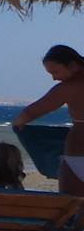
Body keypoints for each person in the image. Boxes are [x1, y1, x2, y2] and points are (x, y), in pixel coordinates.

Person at [11, 44, 84, 195]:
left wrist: (18, 125)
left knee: (71, 204)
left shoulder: (68, 87)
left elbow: (30, 113)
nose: (54, 78)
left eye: (56, 72)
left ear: (73, 65)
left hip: (77, 155)